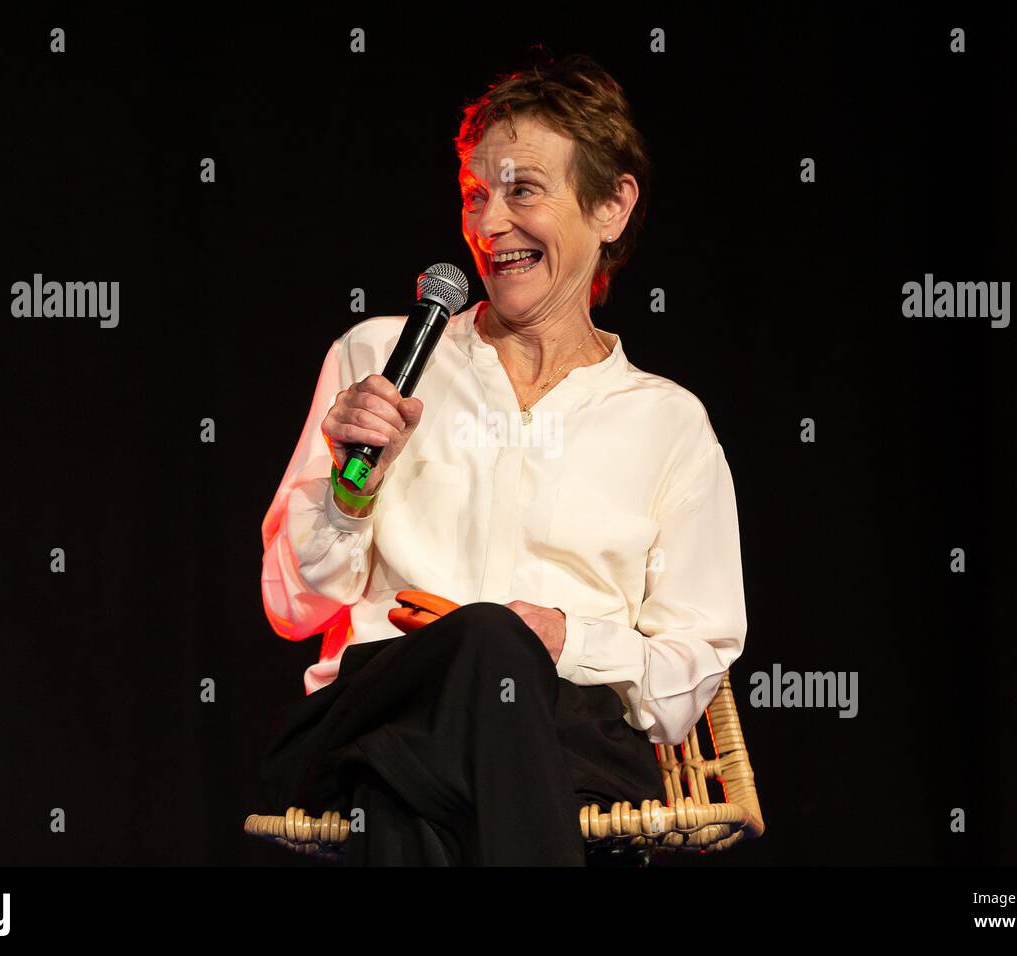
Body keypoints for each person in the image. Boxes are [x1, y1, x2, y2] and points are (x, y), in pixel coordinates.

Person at [257, 52, 748, 865]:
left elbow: (688, 674)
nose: (489, 227)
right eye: (476, 196)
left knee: (438, 739)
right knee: (473, 659)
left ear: (612, 205)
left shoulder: (668, 423)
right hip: (376, 709)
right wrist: (349, 498)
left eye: (523, 191)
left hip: (561, 741)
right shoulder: (379, 359)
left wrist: (560, 638)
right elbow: (290, 609)